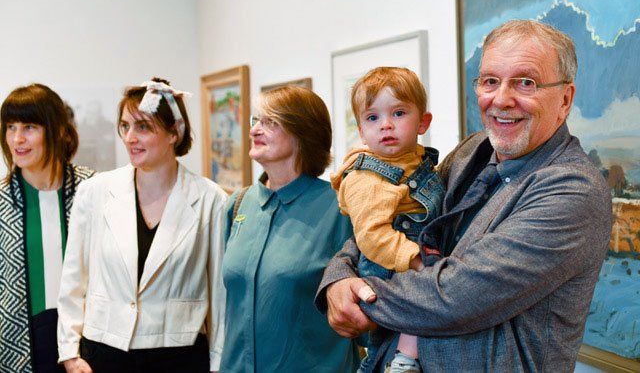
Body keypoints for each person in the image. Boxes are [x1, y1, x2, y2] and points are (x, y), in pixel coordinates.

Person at [316, 20, 613, 371]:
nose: (501, 99)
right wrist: (337, 277)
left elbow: (456, 296)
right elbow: (396, 220)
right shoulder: (473, 151)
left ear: (565, 99)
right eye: (490, 81)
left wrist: (360, 295)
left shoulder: (573, 190)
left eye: (526, 82)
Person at [57, 78, 228, 372]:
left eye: (143, 127)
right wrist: (70, 353)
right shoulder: (95, 192)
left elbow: (221, 296)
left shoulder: (211, 199)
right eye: (125, 126)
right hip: (104, 352)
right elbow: (73, 280)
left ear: (174, 131)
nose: (130, 137)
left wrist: (219, 364)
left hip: (179, 356)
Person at [220, 85, 359, 372]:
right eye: (255, 121)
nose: (255, 130)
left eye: (270, 122)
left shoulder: (340, 207)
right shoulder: (238, 205)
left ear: (303, 132)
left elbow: (362, 314)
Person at [330, 67, 444, 373]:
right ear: (361, 129)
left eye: (398, 113)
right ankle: (404, 360)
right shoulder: (368, 178)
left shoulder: (414, 160)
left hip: (410, 259)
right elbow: (372, 237)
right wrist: (418, 261)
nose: (386, 126)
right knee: (420, 299)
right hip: (389, 267)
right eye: (373, 118)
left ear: (423, 122)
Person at [0, 84, 95, 373]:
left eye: (29, 126)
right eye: (10, 127)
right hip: (19, 346)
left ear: (56, 130)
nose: (18, 138)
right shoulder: (2, 200)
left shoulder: (93, 190)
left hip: (87, 342)